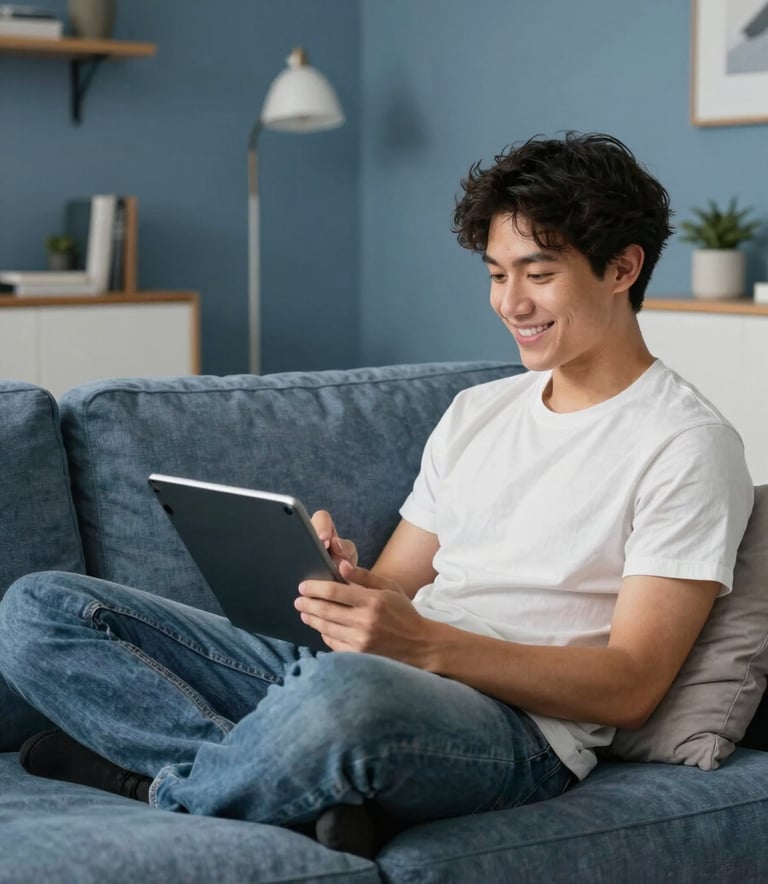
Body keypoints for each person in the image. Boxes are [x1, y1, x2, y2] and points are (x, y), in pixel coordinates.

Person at [0, 132, 753, 859]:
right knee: (39, 609)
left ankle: (157, 785)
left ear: (622, 267)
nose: (511, 303)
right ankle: (279, 779)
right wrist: (344, 580)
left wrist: (424, 646)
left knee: (342, 698)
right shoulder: (479, 411)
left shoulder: (685, 443)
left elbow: (631, 687)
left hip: (516, 728)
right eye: (497, 274)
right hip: (377, 672)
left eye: (538, 273)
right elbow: (396, 585)